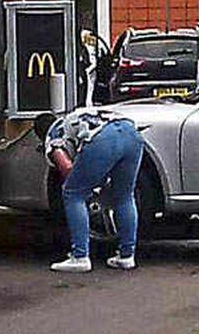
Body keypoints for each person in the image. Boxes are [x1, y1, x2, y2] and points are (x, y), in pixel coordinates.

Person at [43, 107, 145, 272]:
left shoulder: (53, 134)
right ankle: (127, 256)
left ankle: (80, 256)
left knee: (72, 193)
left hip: (102, 138)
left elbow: (68, 169)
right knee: (125, 195)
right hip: (131, 133)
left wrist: (88, 185)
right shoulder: (76, 116)